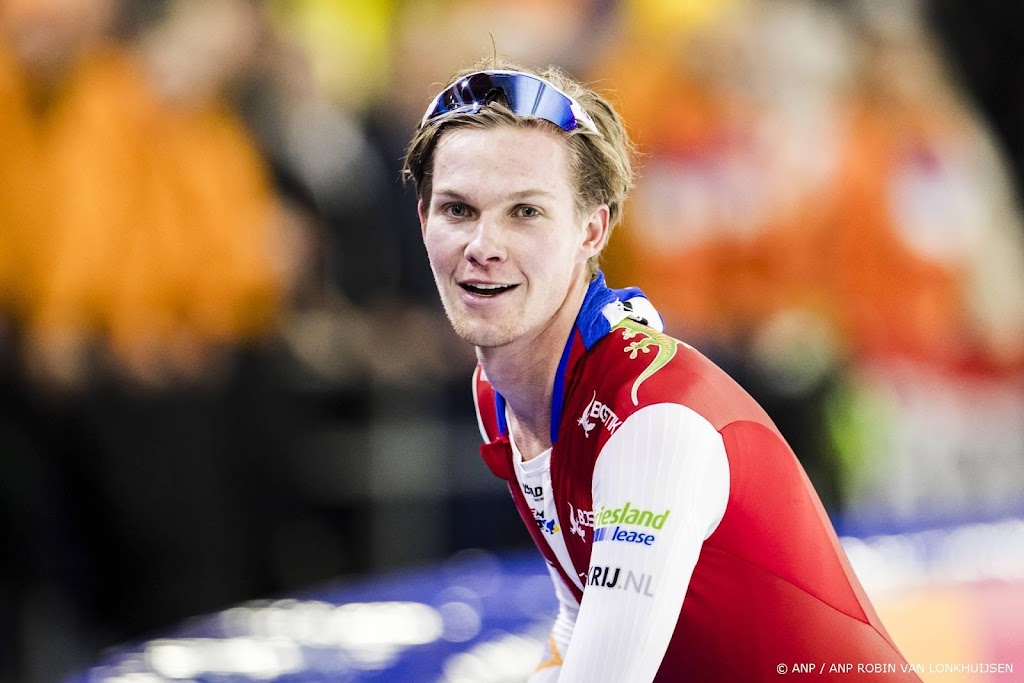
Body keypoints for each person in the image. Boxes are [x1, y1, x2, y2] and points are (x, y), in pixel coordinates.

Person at [403, 58, 921, 682]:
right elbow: (576, 618)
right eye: (458, 210)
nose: (484, 247)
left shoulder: (649, 422)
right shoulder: (499, 392)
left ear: (591, 231)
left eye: (525, 213)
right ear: (423, 221)